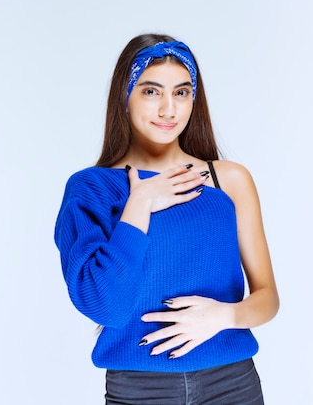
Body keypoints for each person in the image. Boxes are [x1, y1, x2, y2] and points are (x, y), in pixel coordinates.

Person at [54, 33, 279, 404]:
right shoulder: (91, 189)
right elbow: (103, 305)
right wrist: (140, 204)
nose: (168, 110)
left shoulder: (228, 179)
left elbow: (268, 298)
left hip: (232, 385)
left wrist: (223, 317)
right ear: (124, 98)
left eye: (182, 92)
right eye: (151, 91)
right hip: (140, 391)